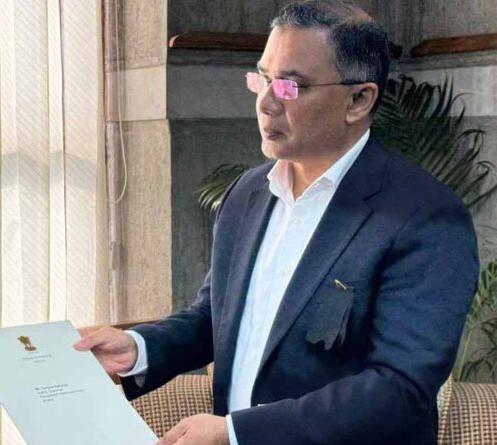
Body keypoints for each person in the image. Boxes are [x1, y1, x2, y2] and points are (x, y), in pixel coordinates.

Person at [75, 1, 479, 444]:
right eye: (263, 79)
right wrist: (138, 349)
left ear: (358, 100)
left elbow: (398, 390)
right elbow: (216, 318)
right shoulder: (247, 193)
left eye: (290, 86)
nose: (266, 104)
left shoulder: (426, 218)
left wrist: (236, 432)